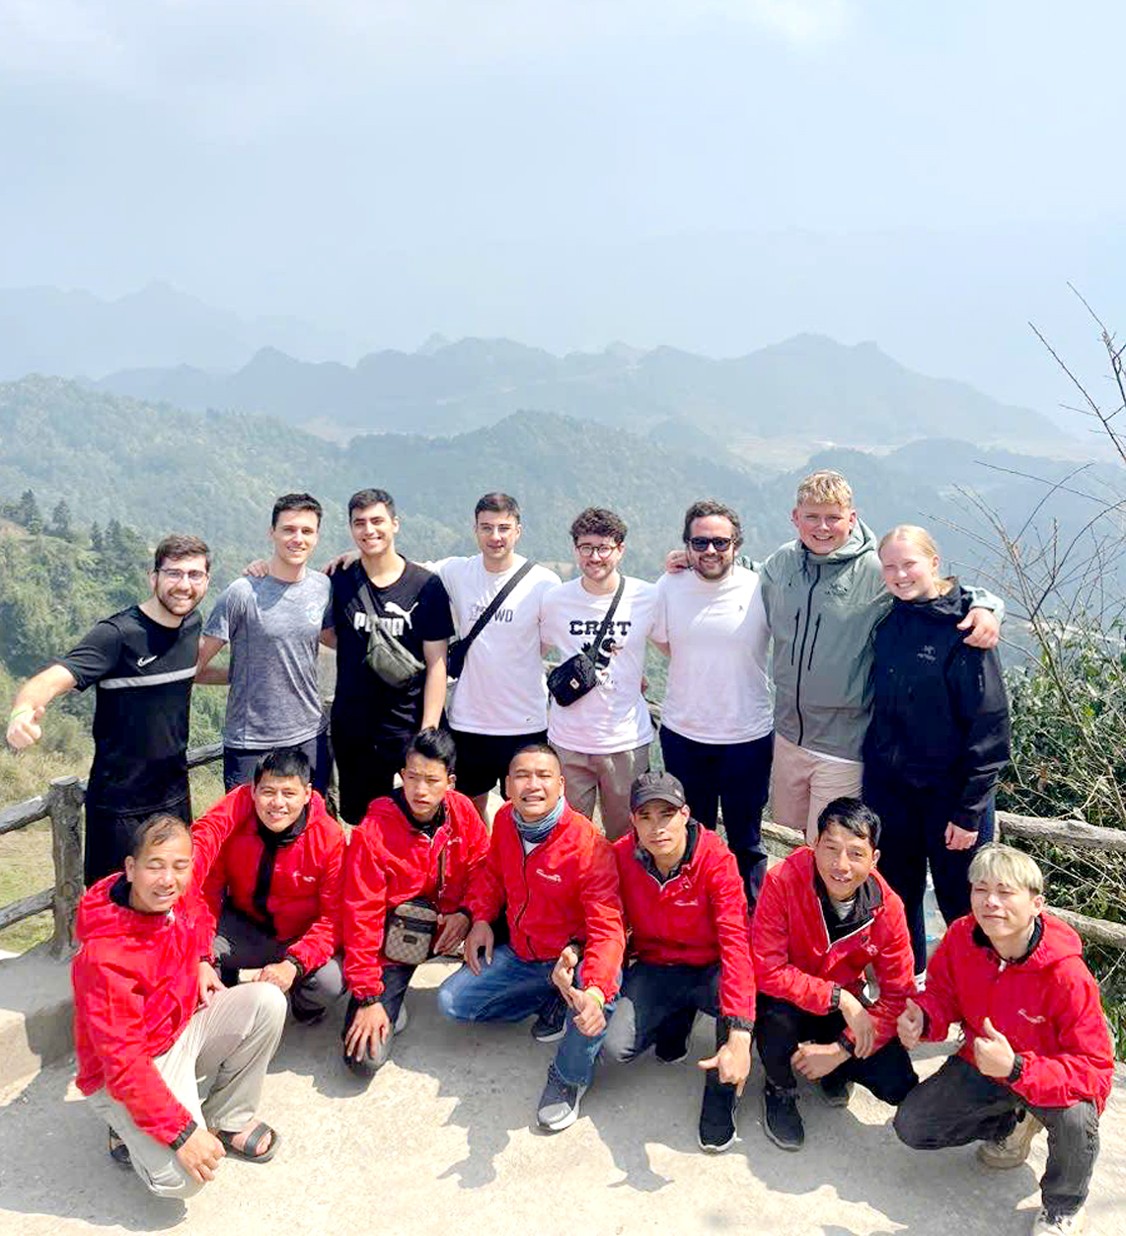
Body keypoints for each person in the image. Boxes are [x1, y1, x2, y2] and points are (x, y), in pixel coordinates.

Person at [758, 470, 1002, 843]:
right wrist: (697, 559)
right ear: (795, 518)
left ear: (851, 518)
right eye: (812, 516)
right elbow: (748, 576)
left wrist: (987, 607)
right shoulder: (784, 564)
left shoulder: (876, 570)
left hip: (843, 745)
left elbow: (938, 592)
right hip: (789, 737)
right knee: (787, 845)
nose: (822, 528)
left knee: (830, 849)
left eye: (833, 518)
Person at [895, 845, 1114, 1236]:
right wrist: (923, 1018)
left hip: (1045, 1074)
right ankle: (1012, 1125)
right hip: (985, 1063)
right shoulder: (962, 936)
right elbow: (942, 995)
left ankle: (1063, 1205)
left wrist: (1017, 1068)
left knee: (1078, 1119)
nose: (990, 902)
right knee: (913, 1125)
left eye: (1005, 891)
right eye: (980, 889)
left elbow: (1096, 1071)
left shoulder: (1067, 975)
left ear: (1036, 904)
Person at [72, 812, 286, 1198]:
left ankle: (228, 1119)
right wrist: (183, 1133)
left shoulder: (175, 894)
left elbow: (200, 915)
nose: (168, 879)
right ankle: (126, 1126)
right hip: (127, 1068)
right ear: (131, 868)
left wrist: (203, 957)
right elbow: (123, 1062)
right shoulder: (105, 955)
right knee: (184, 1181)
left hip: (179, 1029)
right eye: (155, 866)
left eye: (179, 866)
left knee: (267, 1001)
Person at [437, 744, 625, 1132]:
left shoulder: (589, 847)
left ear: (561, 785)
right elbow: (491, 873)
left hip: (572, 959)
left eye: (543, 776)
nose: (532, 785)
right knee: (453, 1002)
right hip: (523, 952)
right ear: (507, 785)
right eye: (522, 775)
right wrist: (482, 918)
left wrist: (594, 992)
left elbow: (608, 930)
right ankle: (548, 1000)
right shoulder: (506, 819)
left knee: (596, 1000)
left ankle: (569, 1077)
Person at [6, 533, 211, 885]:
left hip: (174, 795)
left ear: (207, 580)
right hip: (119, 805)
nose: (184, 584)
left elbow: (187, 672)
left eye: (194, 575)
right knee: (111, 909)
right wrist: (22, 712)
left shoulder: (192, 625)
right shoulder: (117, 635)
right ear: (154, 577)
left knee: (172, 897)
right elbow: (53, 679)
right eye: (174, 573)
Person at [864, 524, 1011, 977]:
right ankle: (911, 996)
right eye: (890, 567)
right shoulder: (888, 620)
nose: (900, 574)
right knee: (898, 899)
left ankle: (982, 1014)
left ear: (934, 562)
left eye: (909, 564)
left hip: (951, 797)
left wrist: (969, 810)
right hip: (893, 793)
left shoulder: (965, 626)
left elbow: (990, 726)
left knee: (964, 907)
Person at [751, 797, 917, 1152]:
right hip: (791, 998)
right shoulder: (783, 880)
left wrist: (841, 1049)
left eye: (856, 854)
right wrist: (840, 999)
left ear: (874, 859)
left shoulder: (888, 908)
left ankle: (835, 1068)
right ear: (813, 846)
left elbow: (898, 995)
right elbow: (767, 969)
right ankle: (779, 1087)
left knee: (898, 1081)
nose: (841, 865)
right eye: (831, 849)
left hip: (843, 1005)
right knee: (774, 1019)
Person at [601, 772, 755, 1153]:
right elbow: (604, 919)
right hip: (658, 965)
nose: (657, 827)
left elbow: (736, 942)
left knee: (739, 1008)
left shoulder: (717, 859)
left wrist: (739, 1034)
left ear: (685, 814)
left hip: (710, 966)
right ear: (633, 821)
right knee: (614, 1047)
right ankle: (677, 1019)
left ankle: (722, 1095)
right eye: (646, 816)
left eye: (666, 814)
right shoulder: (619, 856)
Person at [340, 728, 489, 1080]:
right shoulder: (374, 829)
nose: (421, 790)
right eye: (413, 778)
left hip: (453, 924)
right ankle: (393, 999)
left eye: (432, 780)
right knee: (364, 1059)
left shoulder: (462, 812)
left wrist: (469, 914)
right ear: (401, 775)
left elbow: (486, 869)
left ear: (450, 782)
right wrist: (367, 997)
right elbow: (361, 915)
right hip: (397, 941)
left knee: (514, 919)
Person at [652, 499, 773, 907]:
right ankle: (698, 916)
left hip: (748, 735)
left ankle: (752, 923)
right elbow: (659, 638)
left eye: (720, 542)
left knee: (747, 840)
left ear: (737, 544)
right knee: (691, 836)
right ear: (686, 545)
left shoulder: (760, 586)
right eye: (699, 542)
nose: (710, 552)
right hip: (685, 733)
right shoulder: (668, 585)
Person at [194, 747, 346, 1024]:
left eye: (288, 793)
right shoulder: (236, 828)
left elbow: (333, 918)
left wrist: (293, 965)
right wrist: (201, 956)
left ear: (307, 793)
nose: (277, 803)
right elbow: (207, 893)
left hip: (302, 934)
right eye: (268, 792)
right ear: (253, 791)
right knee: (188, 956)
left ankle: (303, 1003)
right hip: (246, 929)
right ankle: (218, 999)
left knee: (330, 982)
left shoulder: (328, 838)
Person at [329, 488, 454, 823]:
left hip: (405, 730)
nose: (369, 530)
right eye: (360, 523)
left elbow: (437, 663)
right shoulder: (340, 579)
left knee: (412, 824)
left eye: (377, 521)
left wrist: (427, 730)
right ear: (351, 529)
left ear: (395, 524)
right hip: (353, 731)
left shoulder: (426, 587)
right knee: (361, 823)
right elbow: (328, 632)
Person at [434, 494, 561, 820]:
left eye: (504, 528)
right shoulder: (456, 572)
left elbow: (549, 639)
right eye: (487, 527)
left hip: (525, 721)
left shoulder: (544, 583)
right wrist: (357, 555)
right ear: (475, 530)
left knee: (526, 812)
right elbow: (399, 570)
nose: (495, 536)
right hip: (469, 719)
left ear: (518, 530)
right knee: (468, 814)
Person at [196, 494, 333, 793]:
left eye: (307, 531)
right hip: (251, 741)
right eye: (288, 529)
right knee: (247, 834)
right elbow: (194, 666)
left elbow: (330, 638)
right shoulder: (242, 593)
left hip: (310, 735)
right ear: (272, 533)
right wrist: (238, 674)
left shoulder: (322, 587)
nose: (297, 538)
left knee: (310, 831)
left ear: (317, 537)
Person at [539, 507, 657, 840]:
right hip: (568, 740)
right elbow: (534, 649)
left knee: (629, 838)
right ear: (575, 549)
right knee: (567, 838)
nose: (595, 556)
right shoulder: (555, 600)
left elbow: (672, 645)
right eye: (586, 547)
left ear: (620, 549)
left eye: (604, 547)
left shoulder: (647, 597)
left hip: (626, 742)